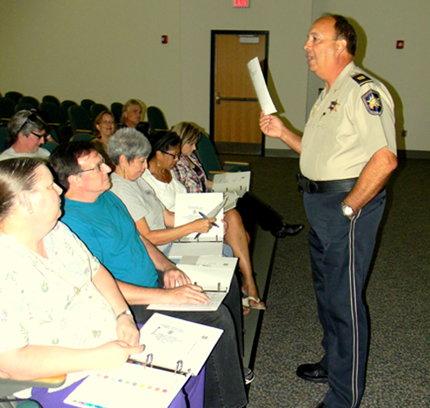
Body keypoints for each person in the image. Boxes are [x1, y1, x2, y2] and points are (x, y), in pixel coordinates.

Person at [260, 14, 397, 408]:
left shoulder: (363, 91)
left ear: (341, 46)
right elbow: (319, 153)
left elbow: (384, 159)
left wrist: (349, 208)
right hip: (319, 204)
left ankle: (344, 396)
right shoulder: (329, 93)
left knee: (344, 300)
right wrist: (283, 132)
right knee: (326, 294)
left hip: (347, 207)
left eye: (315, 38)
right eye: (307, 39)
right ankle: (334, 362)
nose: (306, 46)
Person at [48, 141, 248, 408]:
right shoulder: (70, 222)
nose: (108, 168)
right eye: (98, 166)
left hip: (153, 283)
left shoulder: (107, 197)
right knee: (215, 315)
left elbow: (139, 239)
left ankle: (230, 363)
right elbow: (97, 285)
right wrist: (168, 297)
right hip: (127, 304)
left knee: (229, 283)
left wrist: (167, 266)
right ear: (75, 180)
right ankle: (227, 403)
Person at [0, 158, 206, 408]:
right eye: (50, 186)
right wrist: (96, 358)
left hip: (110, 340)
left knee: (192, 360)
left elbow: (97, 272)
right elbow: (11, 363)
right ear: (25, 201)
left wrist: (123, 315)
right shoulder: (6, 265)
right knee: (169, 400)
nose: (59, 190)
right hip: (62, 376)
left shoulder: (57, 232)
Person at [143, 130, 266, 311]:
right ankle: (240, 291)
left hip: (189, 222)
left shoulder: (168, 172)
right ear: (159, 154)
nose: (177, 160)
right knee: (230, 239)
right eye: (174, 156)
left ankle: (248, 282)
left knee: (232, 216)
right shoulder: (147, 181)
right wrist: (204, 223)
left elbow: (187, 202)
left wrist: (210, 219)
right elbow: (166, 218)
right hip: (178, 232)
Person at [171, 121, 304, 238]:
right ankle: (273, 229)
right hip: (200, 205)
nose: (195, 148)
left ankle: (274, 227)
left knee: (241, 195)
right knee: (241, 203)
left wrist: (225, 184)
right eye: (191, 144)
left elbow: (203, 181)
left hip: (207, 195)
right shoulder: (177, 164)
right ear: (180, 142)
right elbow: (186, 196)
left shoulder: (191, 156)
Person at [108, 127, 216, 256]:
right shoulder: (121, 189)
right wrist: (193, 227)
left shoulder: (136, 180)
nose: (146, 166)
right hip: (157, 253)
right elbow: (148, 237)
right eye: (141, 161)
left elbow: (168, 216)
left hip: (167, 243)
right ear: (123, 160)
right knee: (220, 255)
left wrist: (209, 220)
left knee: (223, 250)